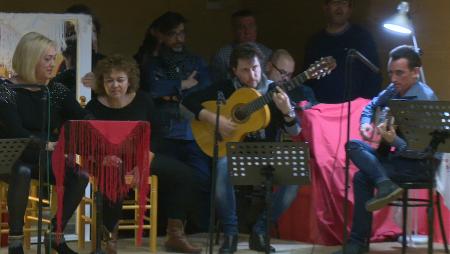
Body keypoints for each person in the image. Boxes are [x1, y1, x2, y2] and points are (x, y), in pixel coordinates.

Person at [183, 43, 301, 254]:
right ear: (234, 71)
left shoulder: (274, 91)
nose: (252, 74)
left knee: (295, 174)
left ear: (262, 67)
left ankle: (260, 231)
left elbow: (294, 132)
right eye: (245, 70)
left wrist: (287, 111)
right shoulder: (226, 88)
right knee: (222, 166)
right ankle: (231, 233)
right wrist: (213, 118)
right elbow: (188, 100)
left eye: (255, 68)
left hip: (267, 156)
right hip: (234, 153)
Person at [84, 54, 202, 253]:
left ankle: (175, 235)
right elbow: (88, 141)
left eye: (120, 80)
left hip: (141, 156)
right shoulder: (94, 106)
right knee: (114, 175)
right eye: (109, 80)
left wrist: (146, 157)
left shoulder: (143, 100)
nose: (115, 85)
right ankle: (108, 239)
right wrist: (103, 156)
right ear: (101, 82)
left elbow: (157, 132)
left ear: (129, 80)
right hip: (107, 160)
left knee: (184, 175)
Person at [333, 45, 438, 254]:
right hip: (396, 159)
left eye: (399, 73)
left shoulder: (424, 99)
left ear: (416, 72)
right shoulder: (394, 88)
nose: (393, 79)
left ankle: (357, 243)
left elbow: (425, 151)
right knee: (353, 145)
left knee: (362, 178)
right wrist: (365, 122)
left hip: (419, 165)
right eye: (391, 73)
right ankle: (385, 184)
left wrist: (395, 141)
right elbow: (371, 106)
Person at [0, 32, 90, 254]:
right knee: (21, 172)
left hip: (40, 157)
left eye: (54, 58)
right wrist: (51, 145)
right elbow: (16, 131)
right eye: (47, 59)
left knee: (80, 176)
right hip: (10, 156)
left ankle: (56, 238)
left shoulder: (56, 91)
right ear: (30, 58)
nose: (53, 64)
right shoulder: (5, 90)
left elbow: (83, 119)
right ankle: (15, 243)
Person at [139, 11, 212, 231]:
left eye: (182, 33)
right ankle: (165, 229)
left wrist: (173, 90)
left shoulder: (195, 60)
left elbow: (205, 89)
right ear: (161, 36)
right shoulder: (151, 63)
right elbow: (152, 90)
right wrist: (183, 85)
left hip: (194, 131)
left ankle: (195, 228)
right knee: (165, 181)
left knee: (202, 178)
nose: (179, 39)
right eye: (173, 34)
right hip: (164, 132)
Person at [304, 0, 381, 103]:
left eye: (343, 3)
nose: (339, 7)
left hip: (354, 111)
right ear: (325, 7)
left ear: (350, 9)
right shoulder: (315, 42)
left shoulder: (362, 37)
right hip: (319, 111)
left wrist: (365, 108)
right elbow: (307, 83)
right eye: (335, 2)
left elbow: (374, 77)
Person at [210, 9, 272, 83]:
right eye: (241, 27)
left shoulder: (267, 53)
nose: (247, 32)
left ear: (256, 28)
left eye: (251, 26)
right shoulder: (222, 56)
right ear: (234, 30)